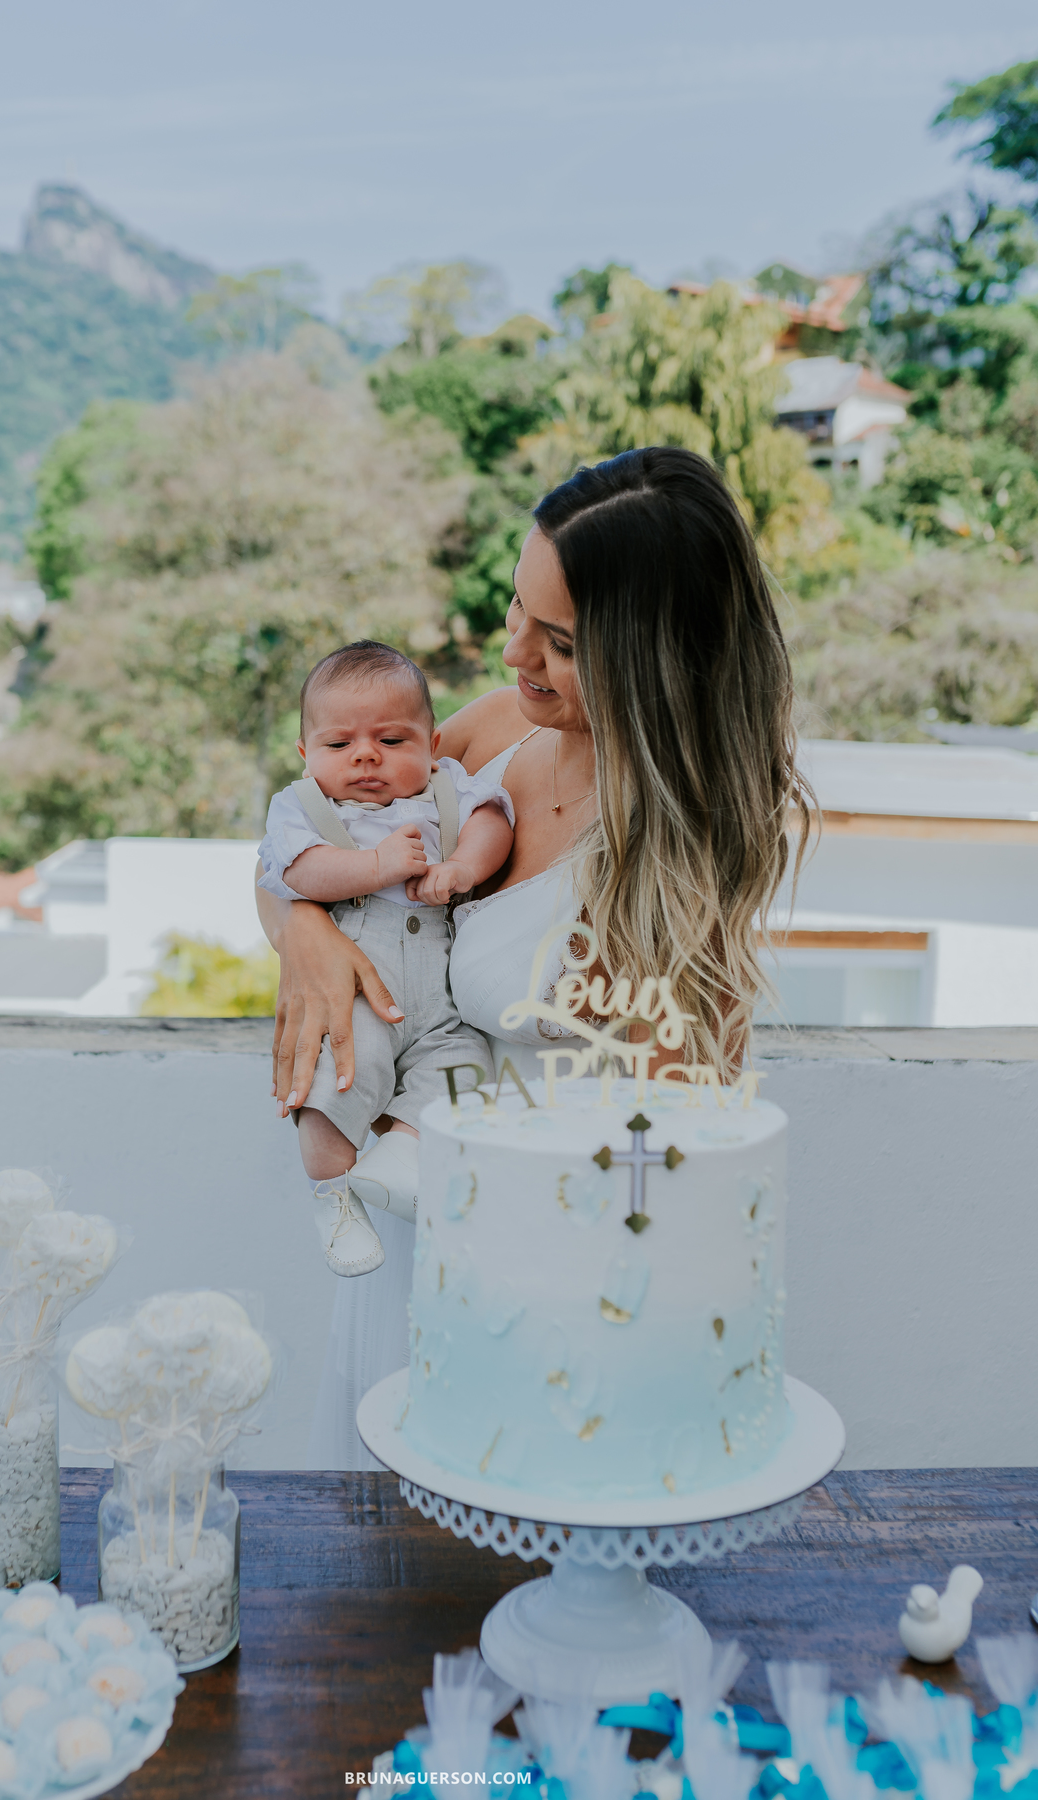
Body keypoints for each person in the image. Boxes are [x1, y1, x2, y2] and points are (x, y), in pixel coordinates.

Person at [255, 446, 814, 1469]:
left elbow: (662, 1164)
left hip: (534, 1275)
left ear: (653, 658)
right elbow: (299, 842)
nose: (513, 653)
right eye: (516, 606)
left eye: (557, 640)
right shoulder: (500, 732)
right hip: (399, 1236)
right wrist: (305, 934)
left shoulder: (682, 855)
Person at [257, 640, 515, 1278]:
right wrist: (376, 866)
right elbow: (292, 870)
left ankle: (400, 1162)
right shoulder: (305, 808)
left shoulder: (448, 789)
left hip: (443, 1005)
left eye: (393, 741)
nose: (366, 756)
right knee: (336, 1079)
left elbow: (495, 821)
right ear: (305, 754)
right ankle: (335, 1197)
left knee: (464, 1074)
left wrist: (460, 867)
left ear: (432, 745)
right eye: (339, 744)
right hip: (356, 996)